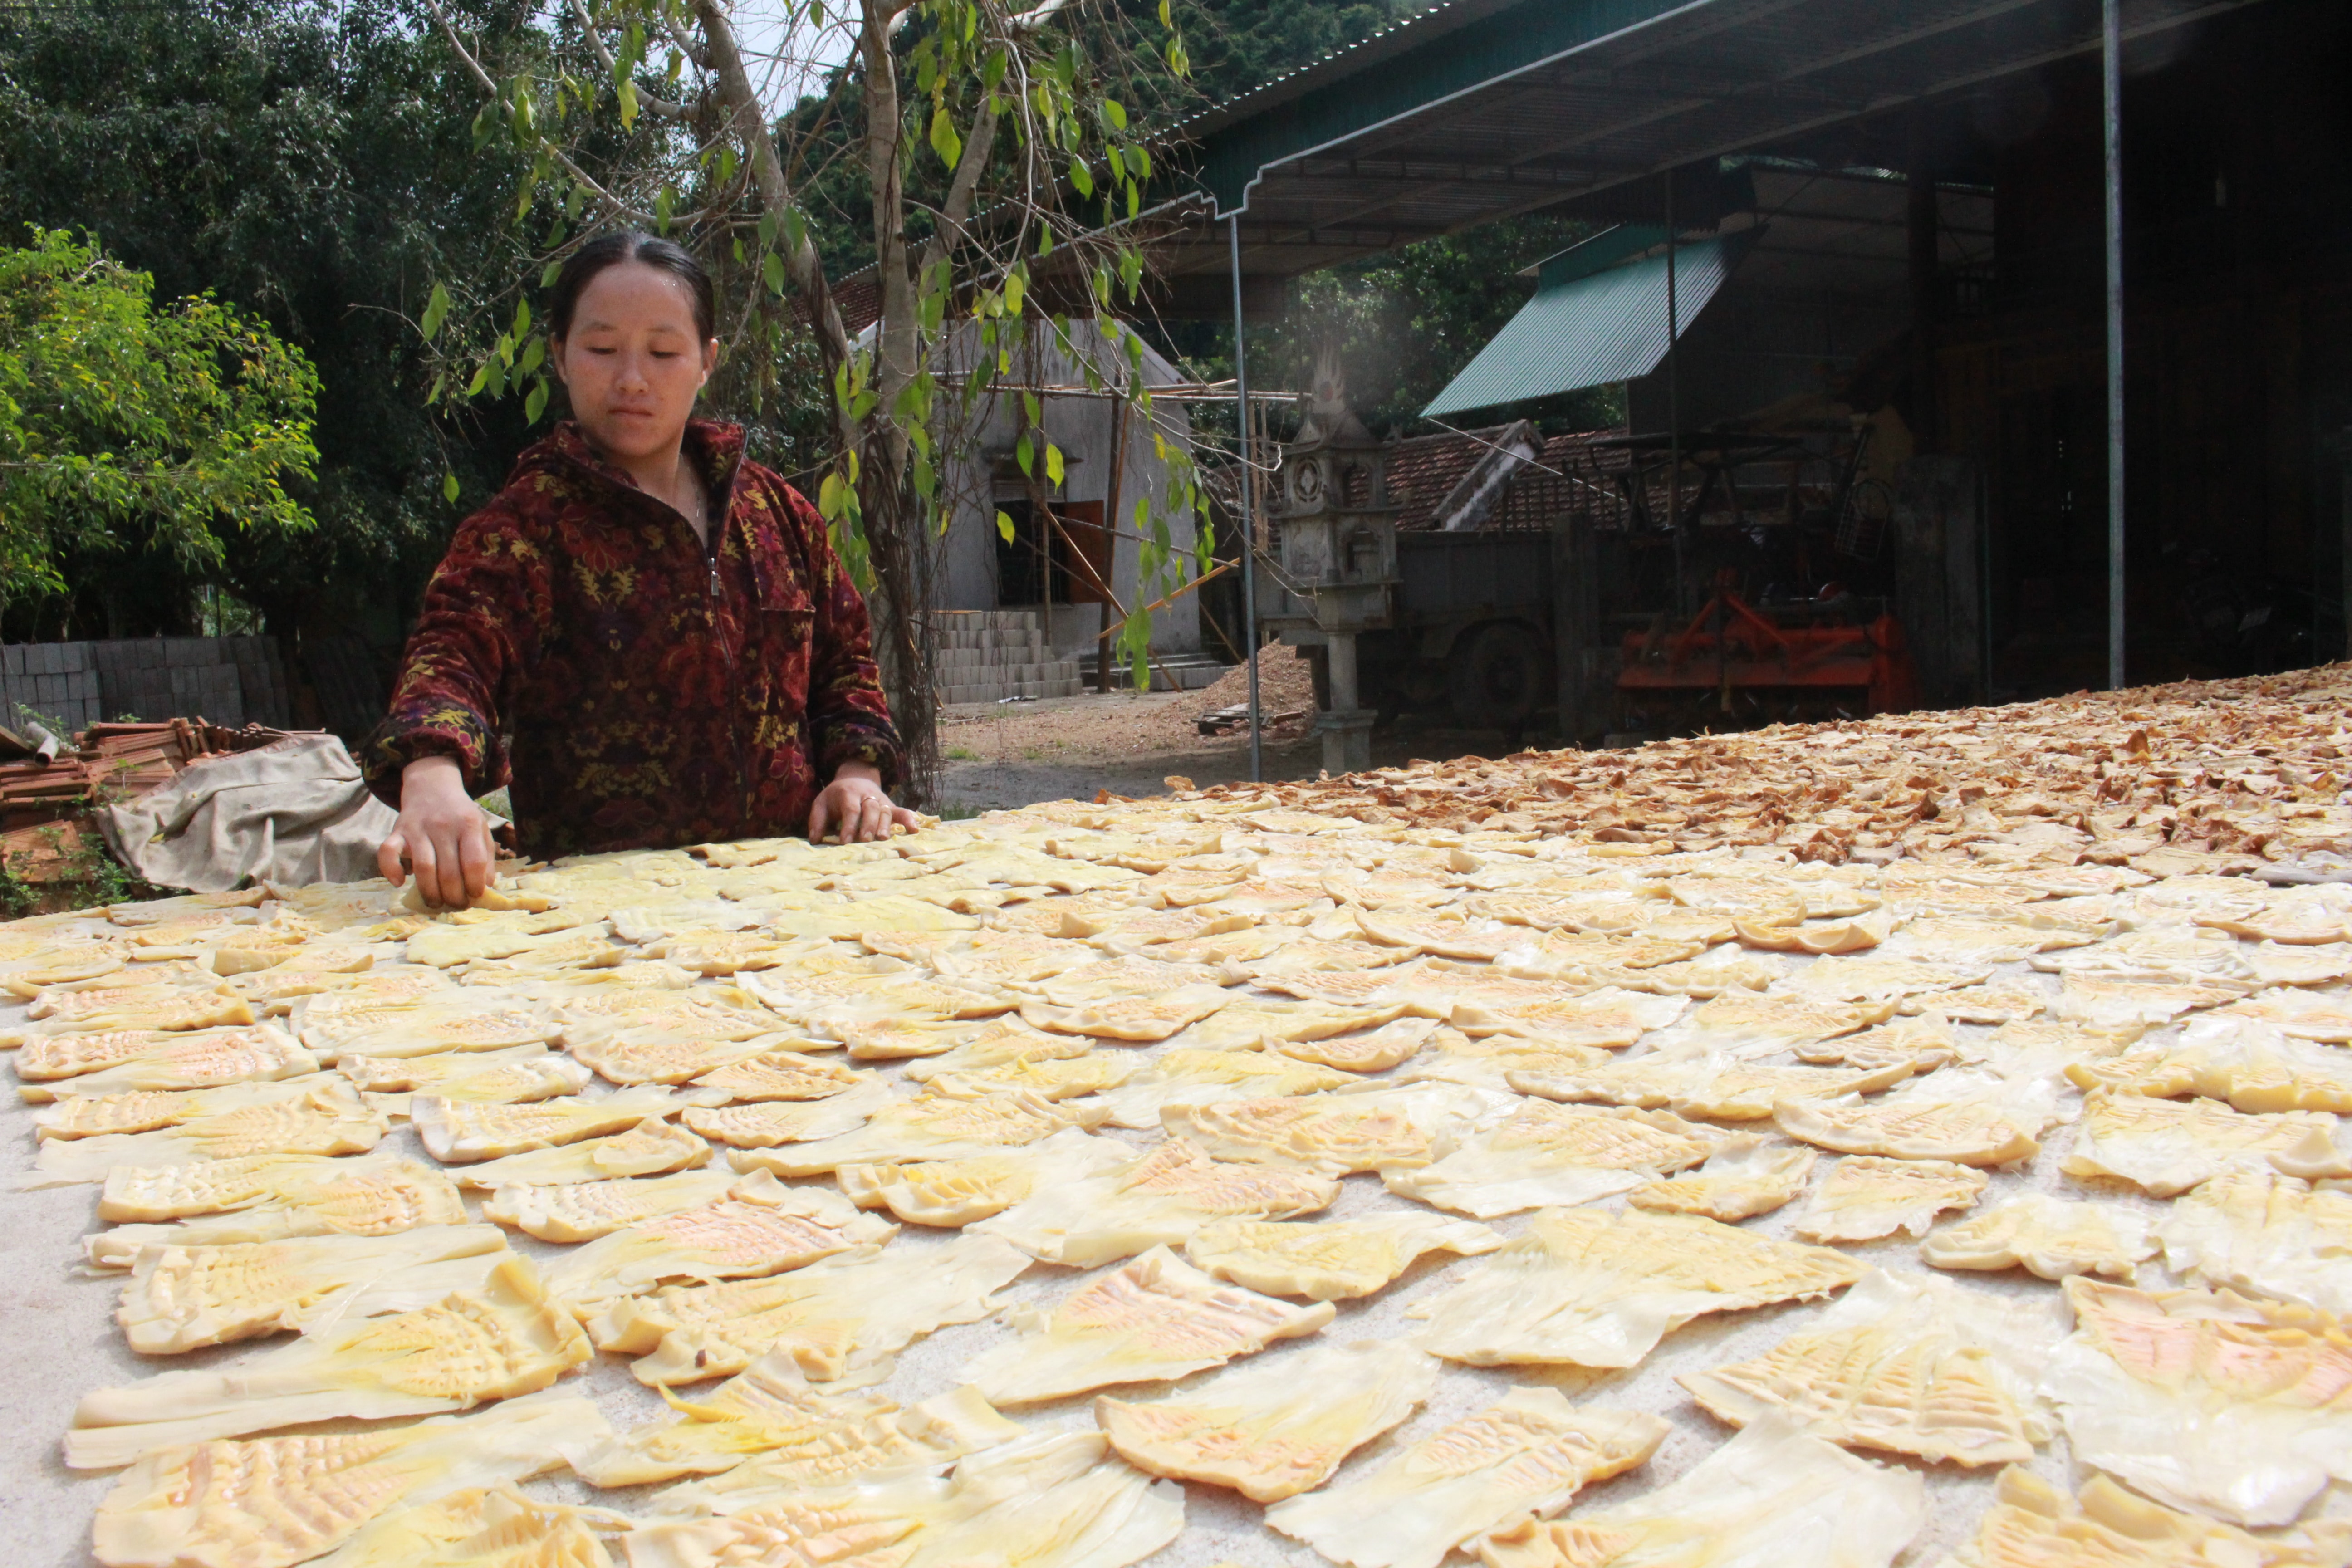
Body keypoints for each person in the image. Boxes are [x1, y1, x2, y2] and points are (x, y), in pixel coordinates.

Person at [363, 230, 916, 909]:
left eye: (662, 352)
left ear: (707, 361)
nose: (631, 380)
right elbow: (451, 655)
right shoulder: (525, 528)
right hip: (595, 927)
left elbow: (845, 662)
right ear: (562, 356)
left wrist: (858, 773)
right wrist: (431, 775)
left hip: (793, 901)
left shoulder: (778, 515)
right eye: (600, 350)